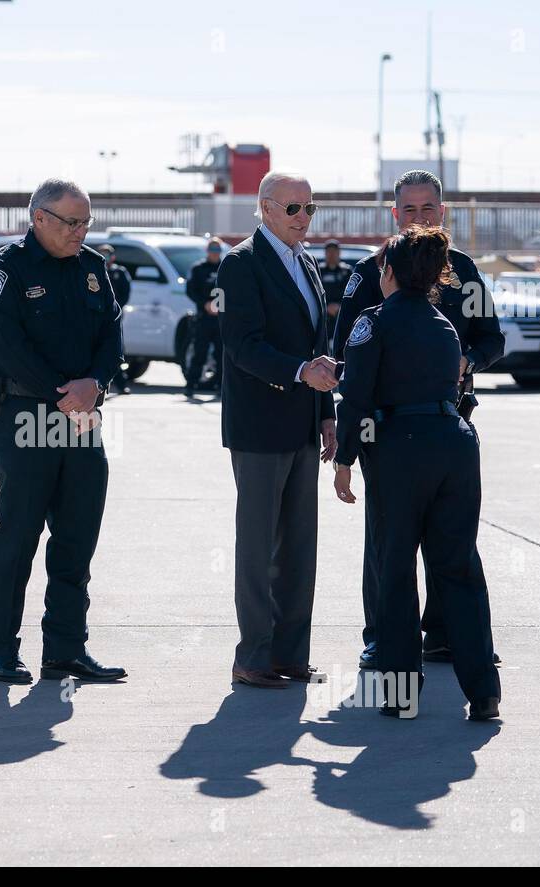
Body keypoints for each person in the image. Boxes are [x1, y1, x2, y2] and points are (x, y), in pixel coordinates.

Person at [333, 169, 504, 669]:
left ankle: (448, 633)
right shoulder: (370, 273)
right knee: (388, 542)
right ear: (394, 214)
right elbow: (346, 352)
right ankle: (381, 637)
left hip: (449, 423)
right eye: (408, 210)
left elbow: (494, 340)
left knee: (453, 538)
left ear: (443, 213)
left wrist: (466, 361)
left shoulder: (465, 272)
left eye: (427, 209)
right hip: (383, 430)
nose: (418, 219)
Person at [0, 178, 126, 685]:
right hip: (24, 415)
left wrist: (96, 384)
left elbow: (111, 335)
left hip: (83, 418)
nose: (80, 232)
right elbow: (9, 346)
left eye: (86, 222)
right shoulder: (6, 270)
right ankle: (0, 647)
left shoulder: (92, 268)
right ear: (39, 218)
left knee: (77, 537)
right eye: (71, 222)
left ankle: (66, 649)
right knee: (19, 534)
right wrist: (68, 393)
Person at [217, 170, 336, 689]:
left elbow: (318, 348)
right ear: (265, 208)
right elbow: (242, 345)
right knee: (259, 544)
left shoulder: (306, 262)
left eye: (310, 208)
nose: (304, 219)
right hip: (261, 424)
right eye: (294, 209)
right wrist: (298, 372)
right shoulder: (241, 263)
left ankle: (290, 654)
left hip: (304, 422)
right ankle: (254, 655)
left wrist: (327, 410)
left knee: (298, 546)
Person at [184, 238, 224, 398]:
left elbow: (232, 289)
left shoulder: (226, 266)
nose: (214, 254)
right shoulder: (198, 268)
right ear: (207, 251)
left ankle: (221, 386)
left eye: (217, 251)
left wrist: (219, 305)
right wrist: (204, 304)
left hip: (221, 319)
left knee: (221, 354)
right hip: (203, 318)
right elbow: (191, 290)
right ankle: (191, 385)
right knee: (199, 352)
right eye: (212, 250)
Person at [98, 244, 133, 393]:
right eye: (102, 255)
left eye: (107, 255)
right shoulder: (94, 270)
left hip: (113, 317)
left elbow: (125, 293)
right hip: (96, 317)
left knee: (115, 348)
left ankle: (121, 384)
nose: (105, 258)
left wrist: (115, 309)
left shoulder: (119, 272)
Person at [315, 239, 352, 343]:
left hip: (341, 315)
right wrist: (325, 307)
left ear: (339, 253)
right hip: (322, 315)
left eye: (334, 251)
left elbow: (352, 295)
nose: (332, 254)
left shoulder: (346, 271)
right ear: (325, 253)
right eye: (329, 251)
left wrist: (340, 307)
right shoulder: (318, 270)